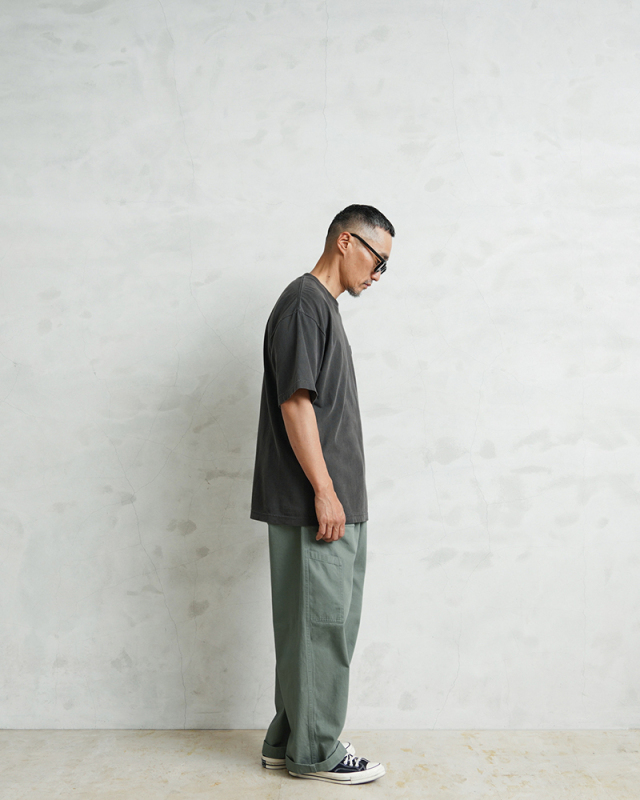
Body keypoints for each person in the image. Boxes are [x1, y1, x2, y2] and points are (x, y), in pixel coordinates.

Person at [250, 204, 395, 785]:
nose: (378, 275)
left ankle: (288, 740)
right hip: (318, 506)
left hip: (326, 503)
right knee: (322, 629)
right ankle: (317, 750)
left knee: (309, 628)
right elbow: (295, 403)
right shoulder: (304, 304)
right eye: (378, 260)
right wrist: (326, 491)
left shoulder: (318, 307)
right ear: (345, 241)